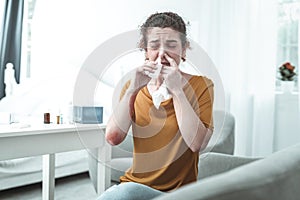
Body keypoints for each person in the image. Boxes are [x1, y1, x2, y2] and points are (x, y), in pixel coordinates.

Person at [98, 11, 214, 200]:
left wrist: (177, 90)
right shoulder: (134, 86)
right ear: (145, 51)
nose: (162, 53)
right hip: (134, 186)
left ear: (184, 50)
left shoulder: (202, 85)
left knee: (123, 193)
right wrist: (132, 90)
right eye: (154, 46)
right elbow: (113, 138)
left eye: (171, 45)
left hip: (178, 194)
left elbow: (196, 143)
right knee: (124, 192)